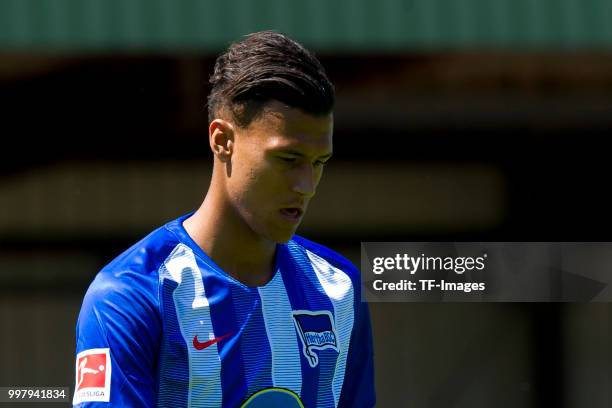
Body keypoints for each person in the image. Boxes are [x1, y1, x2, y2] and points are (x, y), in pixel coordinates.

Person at [73, 30, 375, 408]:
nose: (306, 185)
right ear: (222, 140)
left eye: (319, 164)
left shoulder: (339, 290)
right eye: (288, 159)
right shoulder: (130, 295)